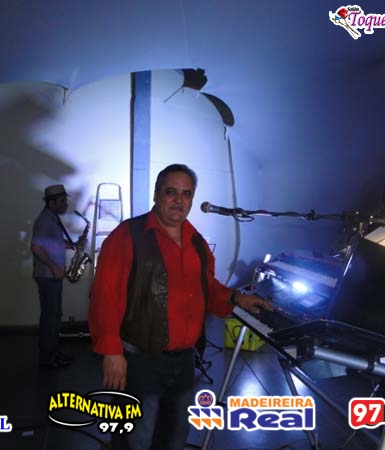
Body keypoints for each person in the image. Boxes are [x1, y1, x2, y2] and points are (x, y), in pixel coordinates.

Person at [88, 163, 270, 450]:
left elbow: (205, 287)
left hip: (184, 360)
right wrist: (112, 352)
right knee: (135, 439)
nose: (179, 200)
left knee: (174, 436)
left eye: (186, 194)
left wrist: (235, 298)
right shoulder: (127, 235)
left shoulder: (196, 241)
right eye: (171, 192)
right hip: (140, 360)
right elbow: (105, 296)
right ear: (156, 194)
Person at [30, 184, 77, 369]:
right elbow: (36, 247)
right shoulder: (44, 221)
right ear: (51, 203)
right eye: (62, 201)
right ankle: (47, 358)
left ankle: (54, 353)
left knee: (55, 316)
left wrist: (71, 245)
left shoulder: (52, 219)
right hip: (48, 275)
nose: (65, 204)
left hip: (52, 276)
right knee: (50, 318)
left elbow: (51, 242)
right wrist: (54, 267)